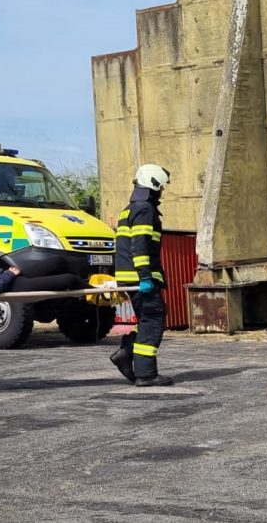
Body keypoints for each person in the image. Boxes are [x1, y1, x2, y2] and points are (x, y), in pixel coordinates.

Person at [110, 163, 174, 387]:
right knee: (153, 319)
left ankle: (126, 352)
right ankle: (145, 374)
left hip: (130, 277)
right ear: (153, 185)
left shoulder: (130, 208)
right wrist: (146, 276)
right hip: (140, 278)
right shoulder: (144, 209)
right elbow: (140, 245)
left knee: (148, 319)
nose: (162, 192)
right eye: (161, 188)